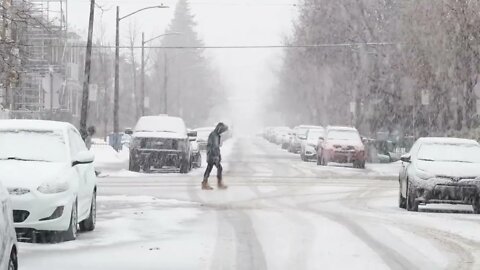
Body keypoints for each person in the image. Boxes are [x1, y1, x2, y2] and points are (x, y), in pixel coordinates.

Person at [202, 122, 229, 190]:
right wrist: (216, 156)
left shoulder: (216, 135)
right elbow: (214, 147)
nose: (222, 132)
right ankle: (218, 183)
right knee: (218, 168)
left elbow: (216, 147)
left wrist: (218, 155)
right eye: (222, 130)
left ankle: (205, 182)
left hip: (212, 155)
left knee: (209, 168)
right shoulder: (214, 135)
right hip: (212, 155)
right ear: (219, 129)